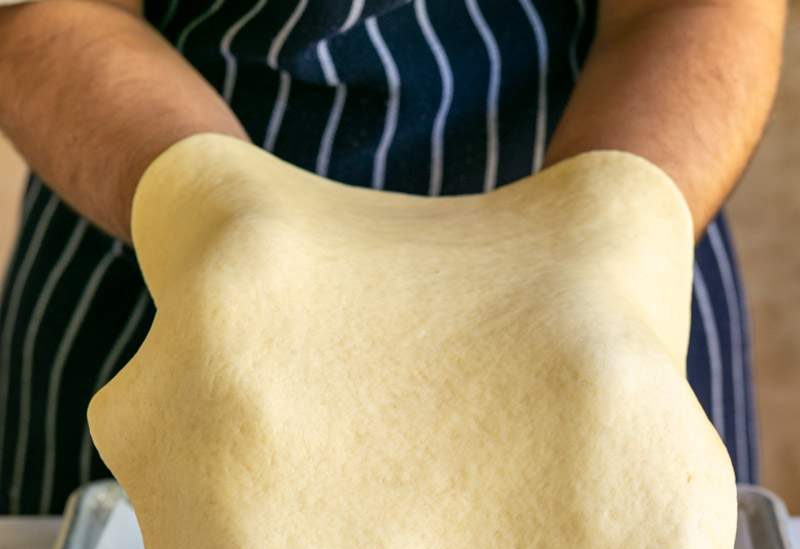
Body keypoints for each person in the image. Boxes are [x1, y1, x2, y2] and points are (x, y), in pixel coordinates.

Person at [0, 0, 786, 515]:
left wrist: (592, 250)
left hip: (601, 210)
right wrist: (218, 224)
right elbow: (52, 11)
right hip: (159, 218)